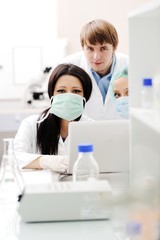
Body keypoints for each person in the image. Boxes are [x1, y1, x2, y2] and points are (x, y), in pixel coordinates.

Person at [14, 64, 93, 172]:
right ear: (52, 95)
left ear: (85, 97)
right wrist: (46, 161)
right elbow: (14, 157)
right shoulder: (31, 124)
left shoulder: (92, 127)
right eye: (61, 91)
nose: (68, 97)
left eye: (76, 91)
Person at [58, 19, 128, 120]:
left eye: (103, 48)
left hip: (123, 130)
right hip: (82, 131)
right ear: (83, 48)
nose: (96, 57)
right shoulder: (68, 66)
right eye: (90, 48)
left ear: (114, 47)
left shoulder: (130, 66)